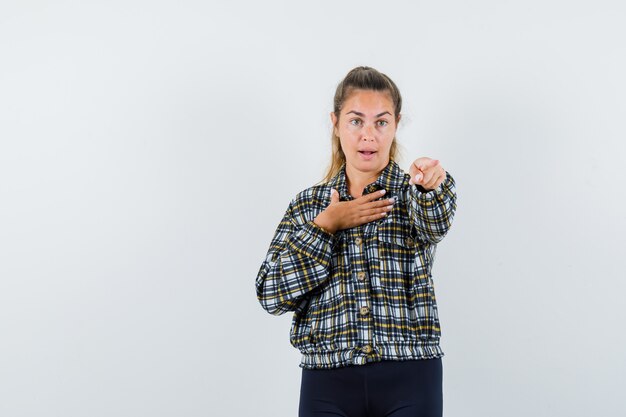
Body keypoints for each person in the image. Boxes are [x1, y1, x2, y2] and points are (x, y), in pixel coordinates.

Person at [255, 66, 458, 417]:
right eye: (355, 121)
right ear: (335, 123)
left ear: (396, 124)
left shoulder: (415, 193)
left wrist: (432, 185)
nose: (369, 135)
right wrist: (326, 226)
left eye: (381, 122)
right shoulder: (309, 205)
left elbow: (435, 222)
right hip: (327, 381)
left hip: (410, 373)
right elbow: (271, 294)